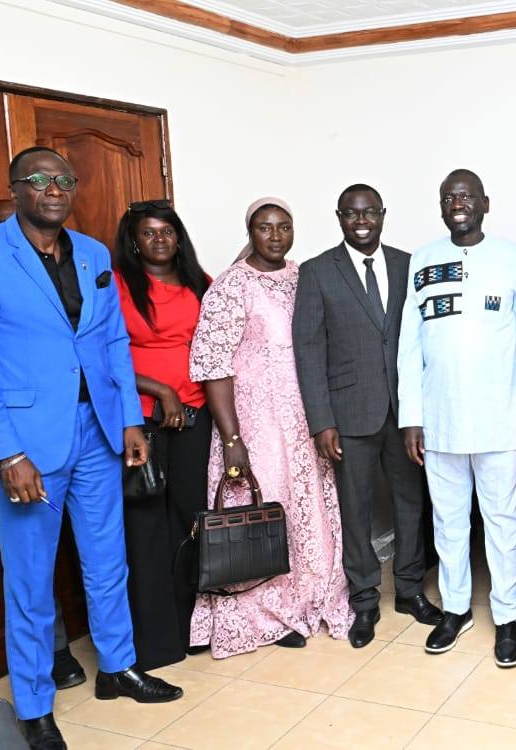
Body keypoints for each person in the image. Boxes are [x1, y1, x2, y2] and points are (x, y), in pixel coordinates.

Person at [0, 147, 182, 750]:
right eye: (39, 179)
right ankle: (33, 704)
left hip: (97, 431)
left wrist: (129, 421)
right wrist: (7, 455)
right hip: (26, 444)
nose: (54, 189)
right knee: (30, 580)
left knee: (108, 561)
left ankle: (118, 667)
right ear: (15, 188)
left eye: (64, 180)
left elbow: (112, 344)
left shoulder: (94, 254)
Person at [188, 197, 351, 657]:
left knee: (307, 512)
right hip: (255, 423)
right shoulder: (231, 285)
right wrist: (232, 438)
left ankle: (306, 599)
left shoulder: (304, 276)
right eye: (265, 227)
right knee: (265, 510)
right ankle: (262, 613)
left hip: (302, 420)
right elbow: (213, 365)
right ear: (250, 232)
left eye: (284, 226)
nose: (275, 235)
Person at [293, 184, 442, 649]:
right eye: (352, 213)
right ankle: (363, 601)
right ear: (339, 217)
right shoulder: (318, 271)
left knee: (410, 503)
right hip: (348, 413)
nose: (361, 221)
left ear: (382, 214)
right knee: (355, 509)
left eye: (370, 212)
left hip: (405, 412)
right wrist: (321, 421)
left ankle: (410, 590)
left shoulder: (407, 264)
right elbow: (308, 349)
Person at [397, 169, 516, 667]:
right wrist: (412, 417)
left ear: (485, 203)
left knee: (503, 523)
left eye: (467, 196)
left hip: (500, 418)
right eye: (449, 197)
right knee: (449, 523)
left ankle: (508, 616)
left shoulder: (514, 258)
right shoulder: (423, 260)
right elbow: (410, 346)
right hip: (440, 418)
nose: (458, 203)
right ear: (441, 206)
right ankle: (455, 609)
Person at [0, 198, 86, 692]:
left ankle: (95, 659)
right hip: (16, 442)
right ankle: (42, 681)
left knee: (93, 559)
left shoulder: (73, 263)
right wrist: (9, 454)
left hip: (81, 431)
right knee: (29, 573)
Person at [114, 199, 213, 669]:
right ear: (134, 241)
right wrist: (160, 391)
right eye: (148, 232)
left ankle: (192, 627)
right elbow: (104, 355)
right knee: (146, 525)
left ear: (179, 237)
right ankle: (155, 643)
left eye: (167, 231)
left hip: (196, 416)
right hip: (142, 422)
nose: (159, 239)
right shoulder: (118, 285)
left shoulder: (199, 282)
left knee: (189, 520)